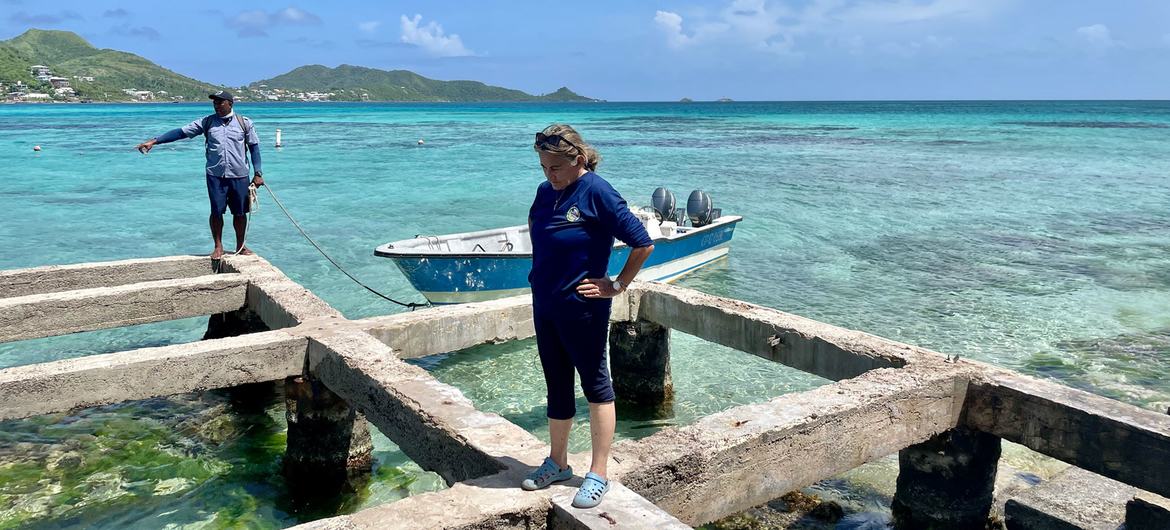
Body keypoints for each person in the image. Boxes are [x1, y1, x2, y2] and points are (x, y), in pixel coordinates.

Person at [521, 124, 654, 509]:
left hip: (583, 309)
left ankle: (598, 473)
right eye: (544, 167)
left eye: (556, 168)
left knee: (596, 385)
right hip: (545, 304)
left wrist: (617, 285)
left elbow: (642, 243)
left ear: (577, 159)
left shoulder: (596, 190)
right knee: (556, 385)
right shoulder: (546, 192)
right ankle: (558, 462)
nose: (549, 175)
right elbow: (540, 233)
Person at [136, 90, 264, 259]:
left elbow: (254, 148)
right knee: (216, 212)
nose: (216, 106)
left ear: (230, 104)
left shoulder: (244, 123)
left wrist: (258, 173)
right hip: (215, 175)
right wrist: (155, 141)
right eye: (214, 103)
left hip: (239, 175)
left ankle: (241, 246)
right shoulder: (207, 122)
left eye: (220, 102)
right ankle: (218, 246)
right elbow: (180, 132)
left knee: (240, 213)